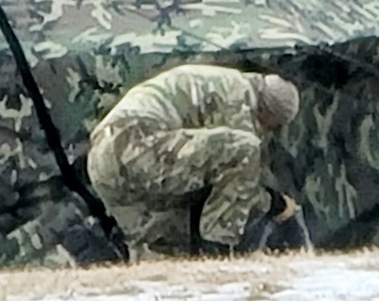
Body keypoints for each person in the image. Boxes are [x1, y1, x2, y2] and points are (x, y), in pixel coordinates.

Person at [86, 63, 308, 259]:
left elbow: (203, 166)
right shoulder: (240, 99)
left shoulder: (221, 81)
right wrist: (275, 203)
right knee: (246, 149)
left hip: (103, 159)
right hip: (137, 141)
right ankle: (216, 252)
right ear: (268, 113)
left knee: (163, 249)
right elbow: (240, 176)